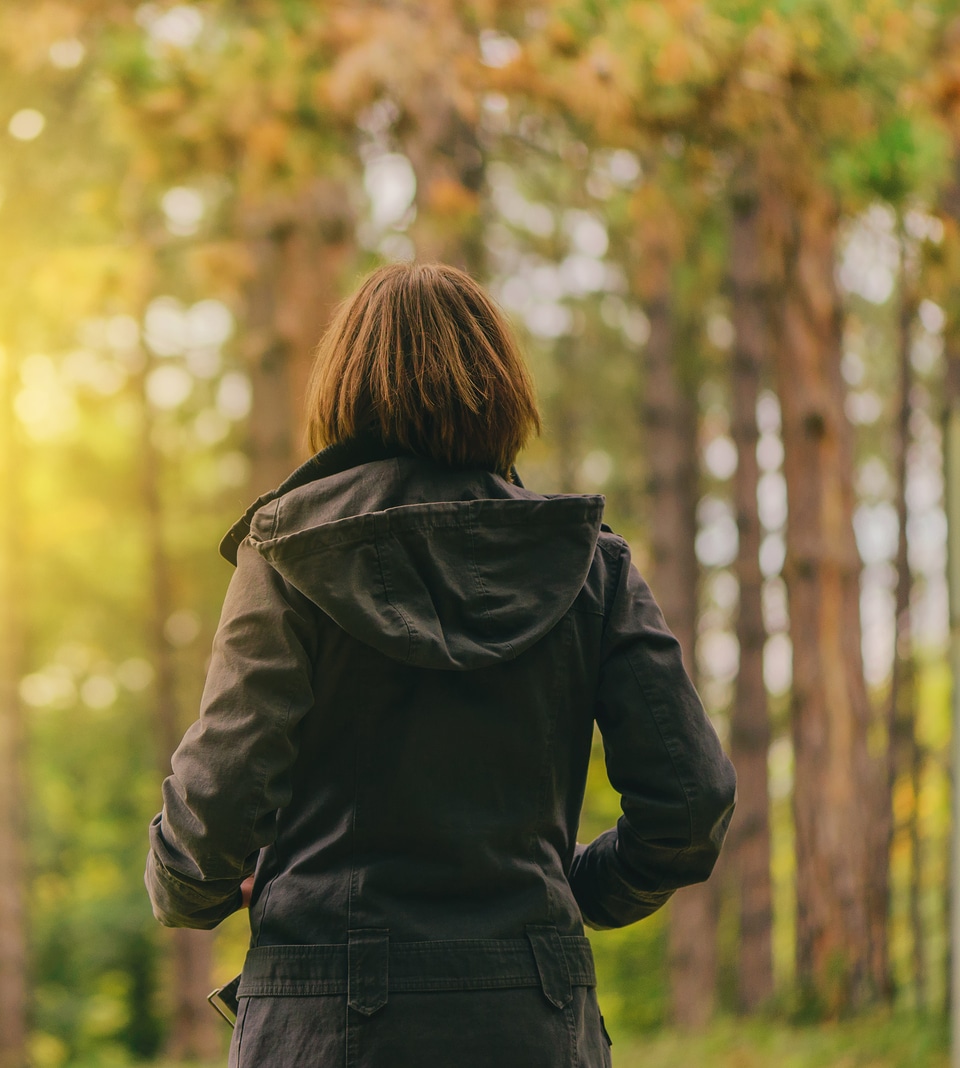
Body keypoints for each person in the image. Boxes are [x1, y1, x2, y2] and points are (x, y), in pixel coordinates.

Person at [144, 262, 736, 1067]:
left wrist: (191, 889)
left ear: (345, 388)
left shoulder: (288, 556)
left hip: (320, 1026)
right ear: (502, 387)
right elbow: (691, 803)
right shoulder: (587, 563)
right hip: (535, 1019)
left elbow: (213, 813)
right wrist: (580, 891)